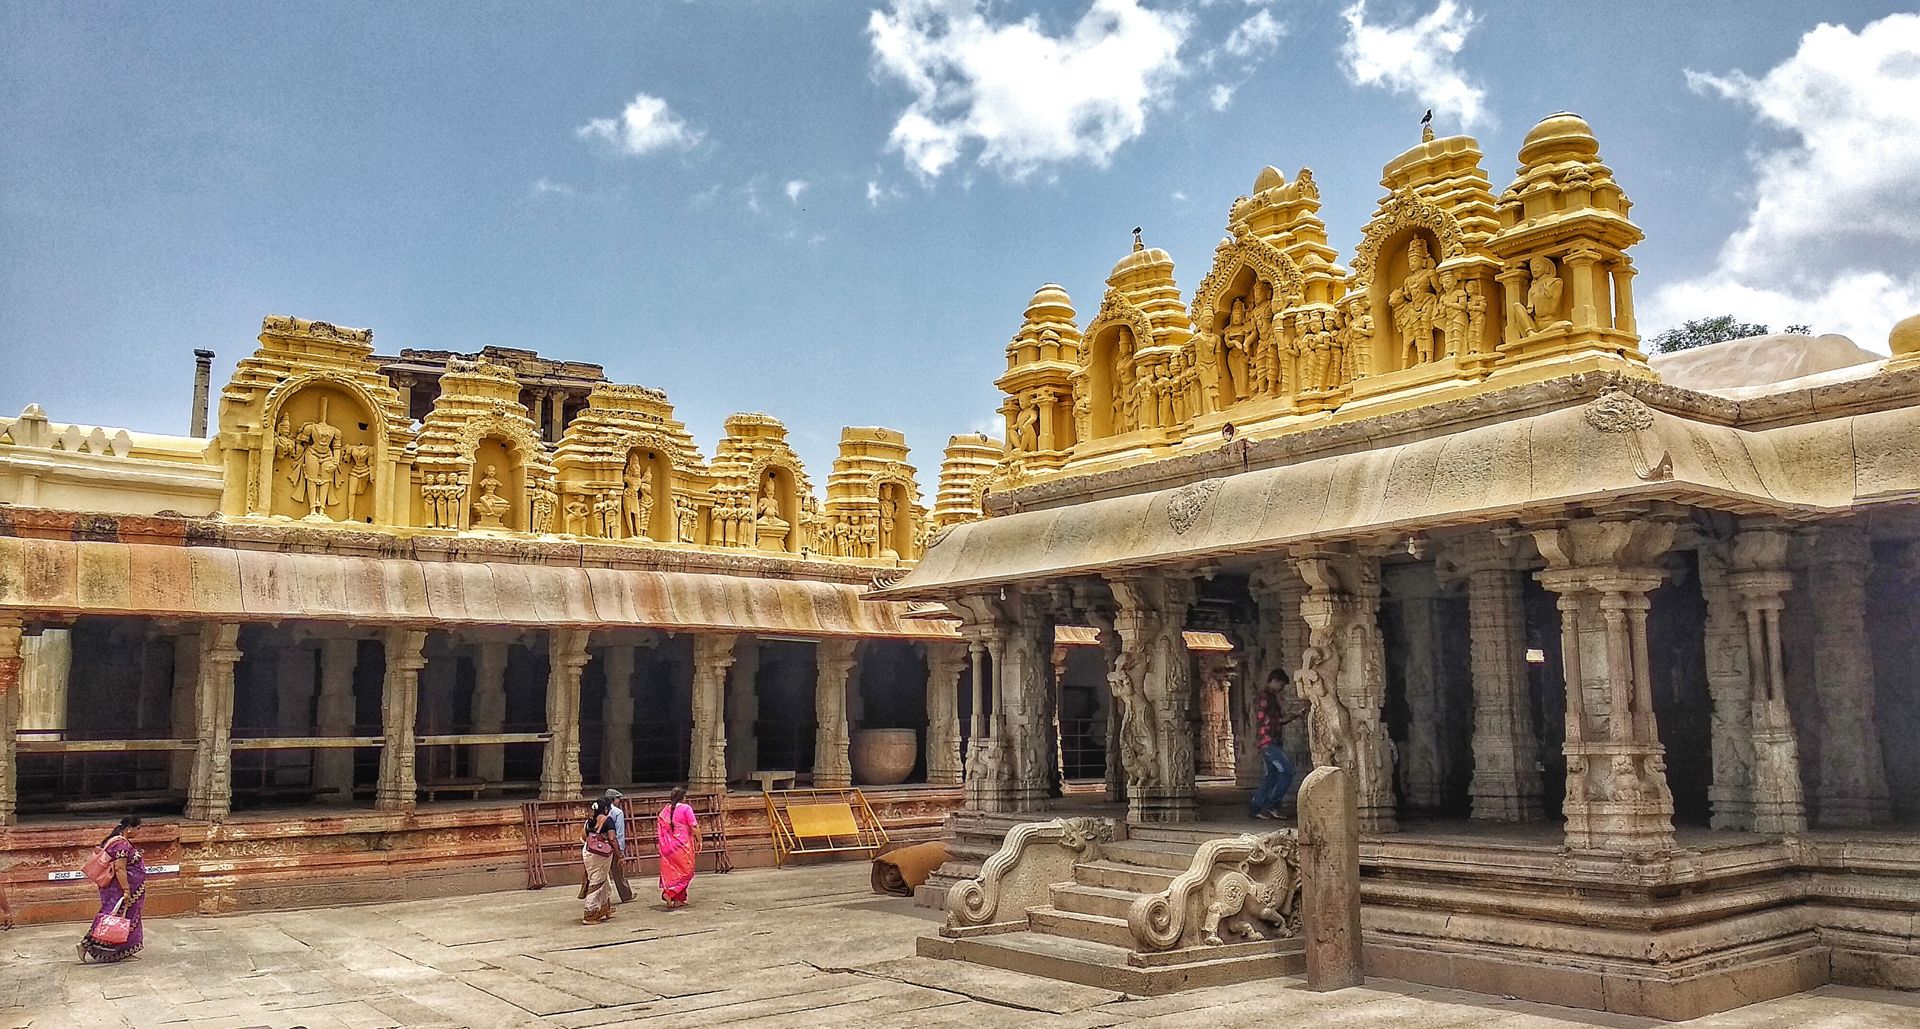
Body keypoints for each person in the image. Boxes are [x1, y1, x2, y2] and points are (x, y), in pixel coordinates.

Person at [78, 816, 146, 962]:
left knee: (126, 918)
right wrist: (126, 890)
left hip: (124, 889)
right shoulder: (121, 845)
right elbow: (120, 869)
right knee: (111, 917)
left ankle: (125, 950)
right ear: (129, 828)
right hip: (121, 890)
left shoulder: (118, 841)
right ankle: (87, 944)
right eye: (138, 828)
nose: (139, 831)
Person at [1249, 671, 1301, 820]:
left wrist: (1291, 716)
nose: (1281, 688)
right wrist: (1287, 718)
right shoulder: (1264, 697)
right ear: (1274, 680)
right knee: (1287, 771)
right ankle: (1272, 804)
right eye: (1281, 685)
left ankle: (1256, 807)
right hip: (1268, 741)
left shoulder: (1270, 697)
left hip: (1271, 741)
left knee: (1271, 776)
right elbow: (1264, 720)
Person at [656, 786, 699, 908]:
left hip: (668, 847)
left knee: (674, 872)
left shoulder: (665, 810)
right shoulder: (686, 808)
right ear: (683, 798)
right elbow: (694, 826)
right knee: (687, 872)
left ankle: (678, 899)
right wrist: (700, 840)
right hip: (682, 846)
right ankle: (670, 892)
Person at [580, 796, 617, 925]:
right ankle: (589, 913)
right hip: (600, 855)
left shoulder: (589, 821)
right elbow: (612, 839)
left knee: (603, 880)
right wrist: (620, 854)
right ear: (606, 809)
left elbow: (583, 837)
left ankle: (604, 908)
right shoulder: (608, 820)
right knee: (597, 881)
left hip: (588, 852)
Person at [602, 788, 634, 904]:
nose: (619, 801)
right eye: (617, 798)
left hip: (600, 846)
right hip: (613, 845)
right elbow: (619, 833)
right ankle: (626, 895)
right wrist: (620, 850)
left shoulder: (601, 811)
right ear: (613, 800)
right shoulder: (617, 812)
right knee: (618, 872)